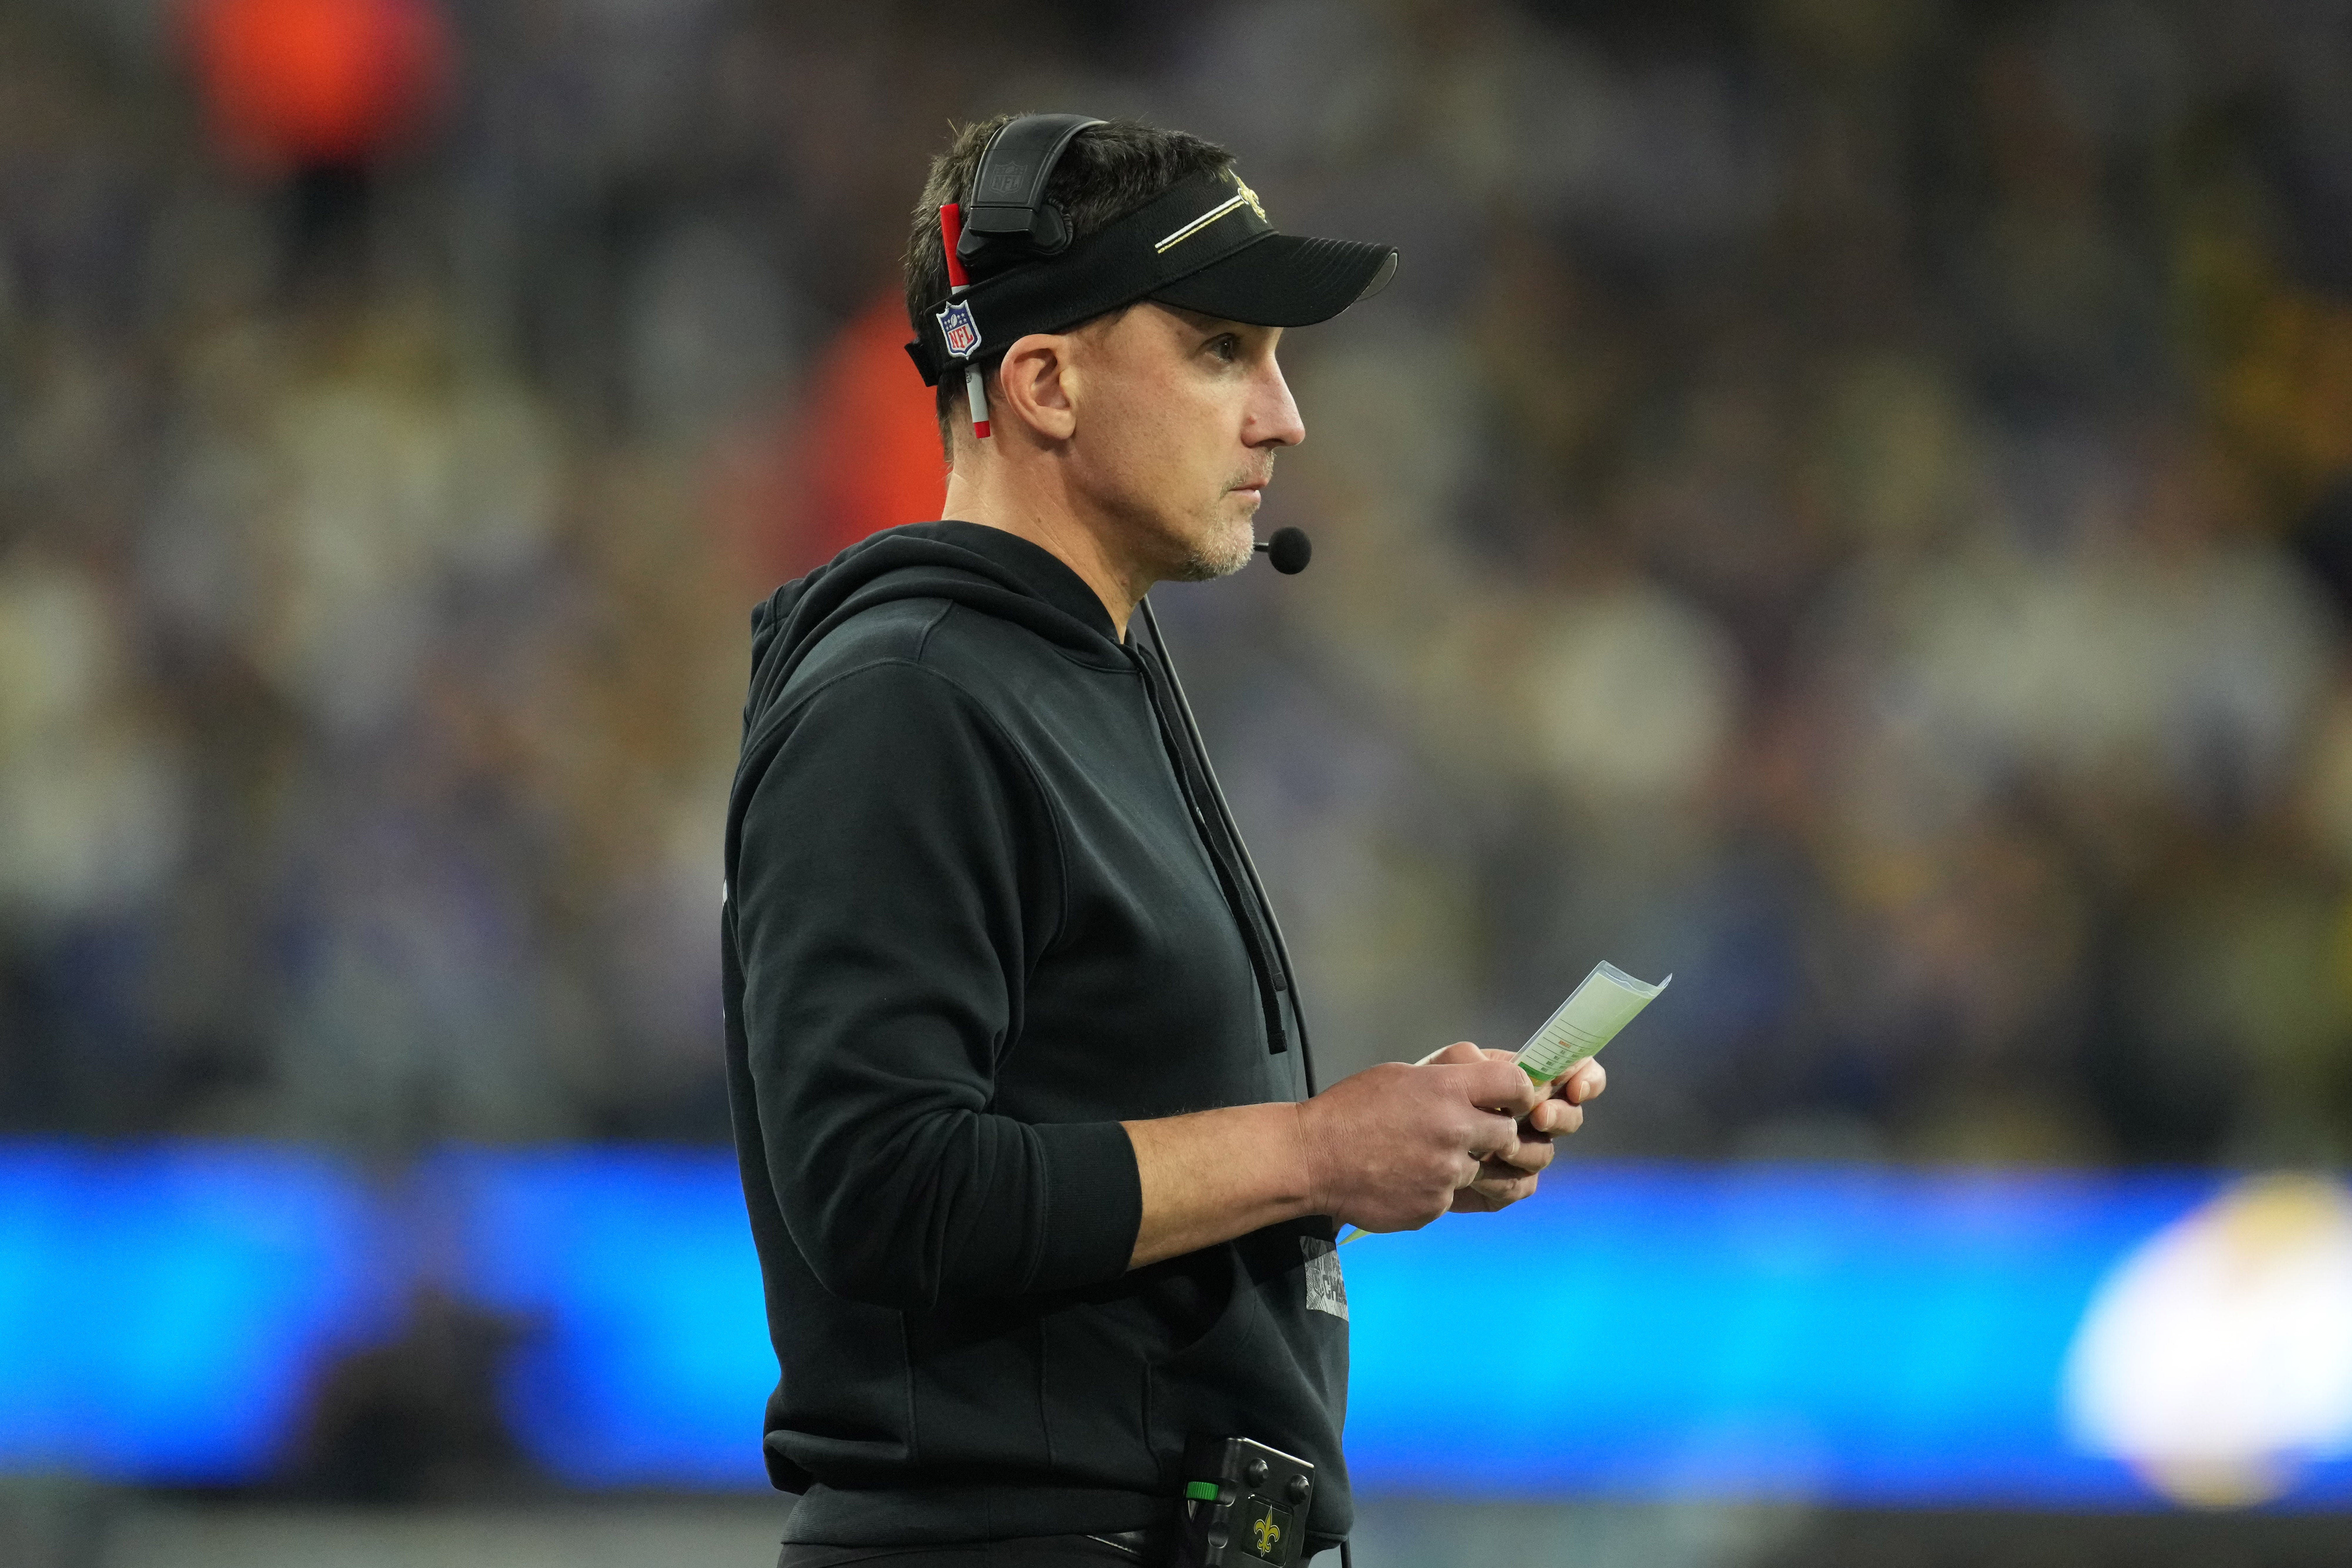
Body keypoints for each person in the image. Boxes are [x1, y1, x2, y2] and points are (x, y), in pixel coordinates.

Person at [720, 114, 1607, 1568]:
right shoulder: (908, 696)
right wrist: (1316, 1147)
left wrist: (1404, 1146)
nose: (1284, 414)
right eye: (1220, 350)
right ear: (1046, 381)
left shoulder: (1080, 671)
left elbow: (1108, 1152)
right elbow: (881, 1189)